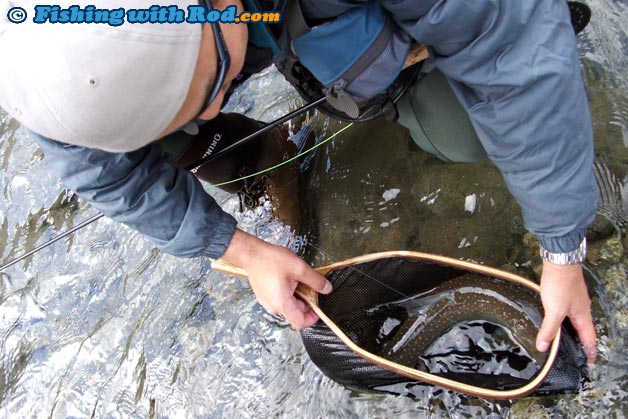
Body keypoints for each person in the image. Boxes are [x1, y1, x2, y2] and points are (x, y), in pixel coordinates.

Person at [0, 0, 597, 368]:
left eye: (212, 94)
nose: (211, 119)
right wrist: (244, 251)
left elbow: (513, 52)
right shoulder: (46, 57)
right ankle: (271, 154)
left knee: (473, 127)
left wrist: (562, 246)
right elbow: (106, 175)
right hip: (248, 23)